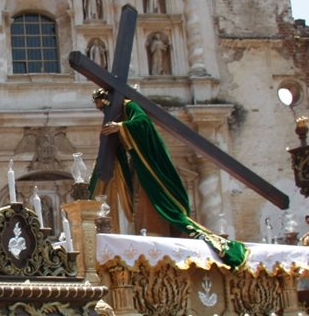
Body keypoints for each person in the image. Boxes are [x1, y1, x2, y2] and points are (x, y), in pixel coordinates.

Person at [89, 89, 246, 267]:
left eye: (103, 107)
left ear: (109, 100)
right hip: (139, 167)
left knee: (150, 204)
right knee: (140, 204)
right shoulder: (121, 113)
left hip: (150, 168)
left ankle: (153, 236)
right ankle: (148, 235)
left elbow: (142, 123)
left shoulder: (130, 106)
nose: (103, 112)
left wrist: (121, 127)